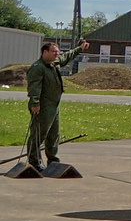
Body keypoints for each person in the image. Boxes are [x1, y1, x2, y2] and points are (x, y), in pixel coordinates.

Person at [25, 38, 86, 172]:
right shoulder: (38, 67)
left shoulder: (54, 63)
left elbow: (66, 56)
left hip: (54, 106)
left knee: (53, 135)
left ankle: (52, 161)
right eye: (53, 52)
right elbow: (34, 87)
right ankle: (34, 162)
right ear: (44, 52)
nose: (56, 54)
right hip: (42, 106)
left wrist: (80, 48)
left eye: (57, 52)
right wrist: (35, 103)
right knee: (38, 134)